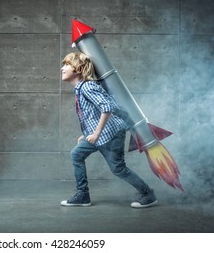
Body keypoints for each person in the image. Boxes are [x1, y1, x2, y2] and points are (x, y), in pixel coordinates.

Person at [60, 52, 157, 208]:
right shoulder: (80, 89)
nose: (62, 68)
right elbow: (93, 114)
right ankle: (83, 195)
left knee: (118, 169)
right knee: (76, 154)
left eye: (66, 64)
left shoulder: (87, 86)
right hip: (98, 135)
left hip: (111, 135)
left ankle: (148, 194)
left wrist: (96, 133)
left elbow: (107, 107)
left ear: (78, 69)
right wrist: (86, 135)